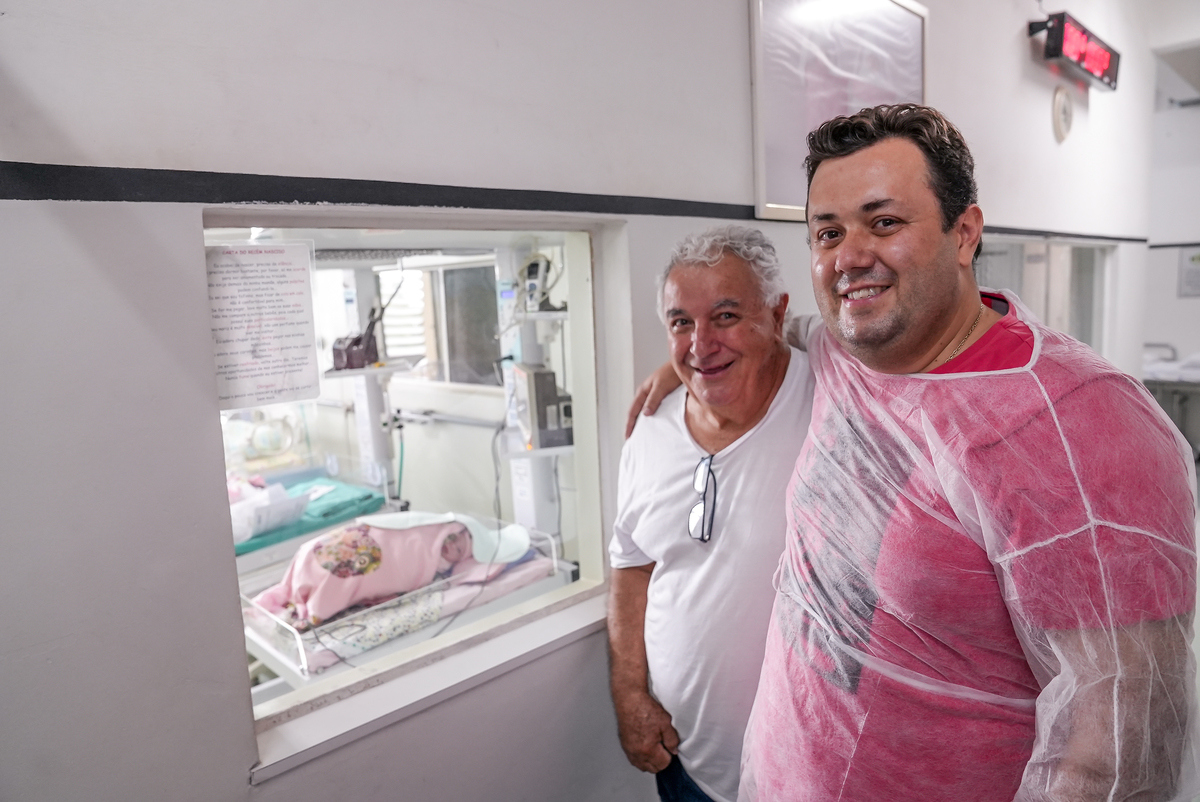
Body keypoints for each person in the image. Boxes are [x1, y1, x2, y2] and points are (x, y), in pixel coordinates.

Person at [631, 104, 1200, 801]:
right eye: (829, 232)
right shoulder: (847, 353)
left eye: (884, 222)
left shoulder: (1081, 422)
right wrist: (693, 364)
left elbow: (1122, 749)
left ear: (965, 233)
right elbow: (788, 329)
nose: (849, 256)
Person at [608, 225, 816, 802]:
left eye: (725, 316)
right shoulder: (649, 428)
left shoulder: (829, 402)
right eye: (681, 323)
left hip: (807, 772)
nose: (701, 345)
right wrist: (629, 695)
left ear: (777, 314)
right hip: (686, 765)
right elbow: (632, 565)